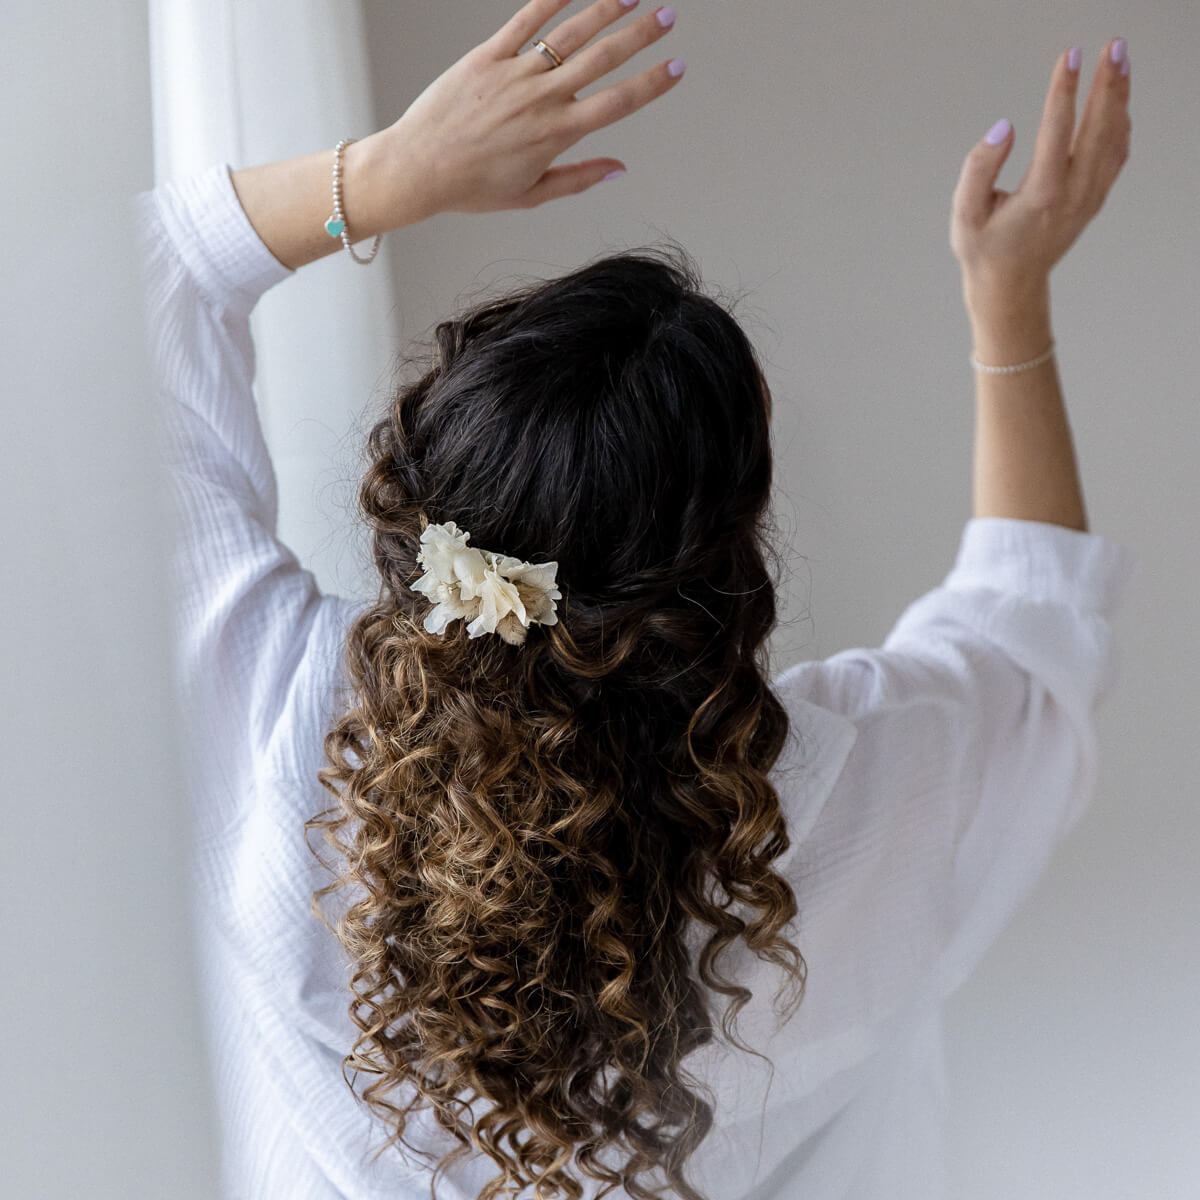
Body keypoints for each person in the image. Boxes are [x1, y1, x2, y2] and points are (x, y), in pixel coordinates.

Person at [133, 1, 1135, 1197]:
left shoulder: (272, 732)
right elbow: (1035, 633)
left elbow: (136, 294)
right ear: (729, 555)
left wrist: (389, 174)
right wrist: (1007, 296)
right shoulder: (858, 798)